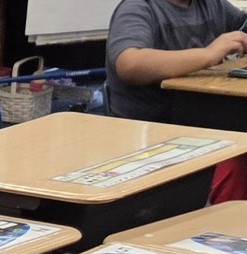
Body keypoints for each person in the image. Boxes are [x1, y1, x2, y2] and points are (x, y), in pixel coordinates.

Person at [106, 0, 247, 201]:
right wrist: (208, 54)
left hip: (201, 125)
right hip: (154, 137)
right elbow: (129, 63)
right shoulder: (138, 8)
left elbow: (242, 27)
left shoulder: (211, 5)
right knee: (233, 162)